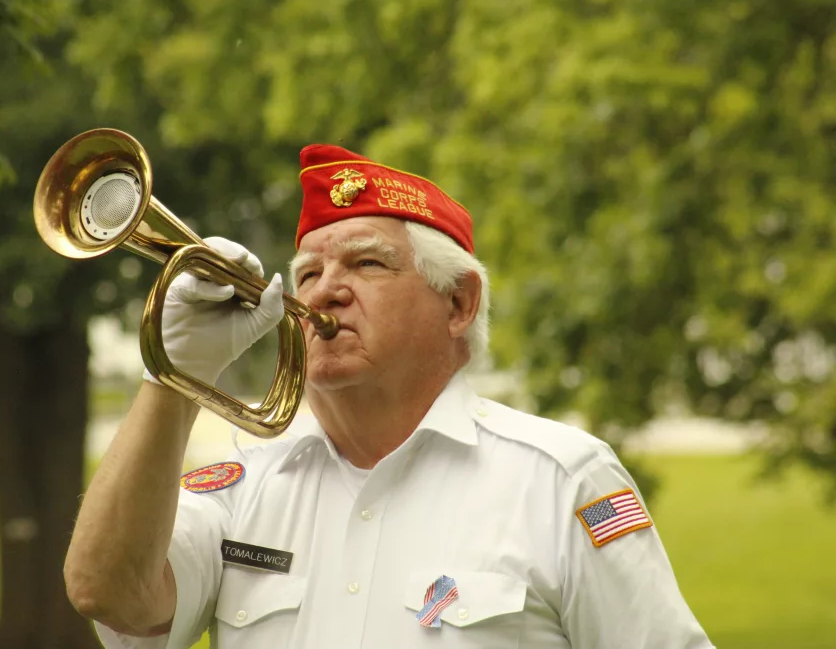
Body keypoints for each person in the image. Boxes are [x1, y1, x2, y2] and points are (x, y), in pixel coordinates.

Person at [64, 144, 715, 649]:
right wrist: (173, 376)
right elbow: (106, 591)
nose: (323, 291)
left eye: (367, 263)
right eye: (308, 273)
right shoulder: (244, 484)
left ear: (458, 304)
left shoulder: (560, 479)